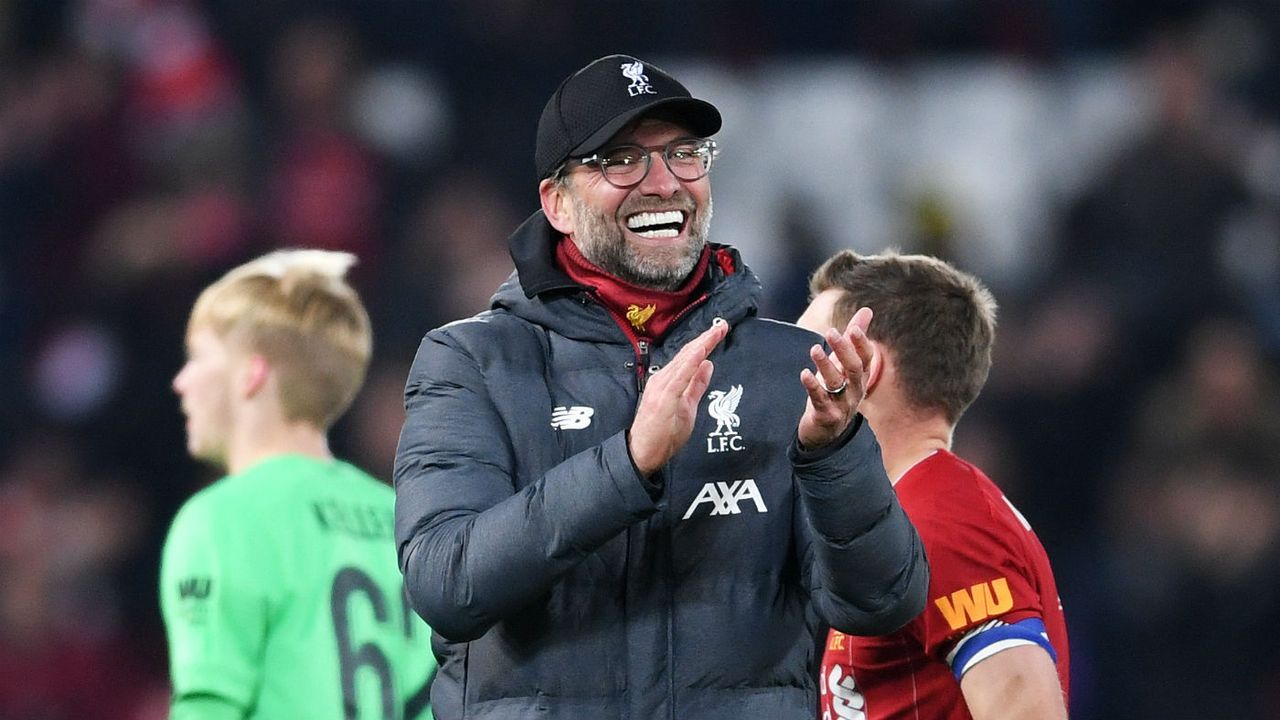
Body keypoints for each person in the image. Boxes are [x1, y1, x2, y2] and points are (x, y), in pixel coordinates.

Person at [393, 54, 929, 720]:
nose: (662, 182)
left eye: (684, 154)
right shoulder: (472, 362)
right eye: (622, 160)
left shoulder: (792, 369)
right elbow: (446, 584)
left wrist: (835, 456)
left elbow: (882, 605)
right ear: (557, 202)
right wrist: (627, 464)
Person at [161, 249, 437, 719]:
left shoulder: (220, 519)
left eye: (199, 358)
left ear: (251, 372)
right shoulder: (406, 521)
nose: (181, 382)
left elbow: (210, 704)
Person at [797, 250, 1069, 720]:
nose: (783, 373)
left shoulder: (945, 523)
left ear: (862, 365)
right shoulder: (895, 516)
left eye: (805, 348)